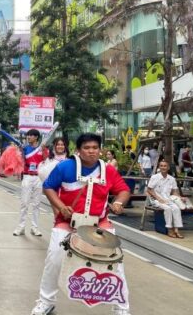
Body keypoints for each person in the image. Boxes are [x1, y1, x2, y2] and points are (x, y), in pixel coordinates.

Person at [30, 133, 131, 315]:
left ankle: (121, 308)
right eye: (86, 148)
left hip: (99, 223)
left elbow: (123, 190)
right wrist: (61, 207)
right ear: (78, 150)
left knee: (116, 263)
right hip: (68, 222)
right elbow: (48, 186)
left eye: (95, 148)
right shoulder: (65, 167)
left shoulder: (108, 170)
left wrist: (118, 203)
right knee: (54, 259)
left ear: (100, 150)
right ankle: (46, 301)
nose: (91, 151)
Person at [14, 129, 45, 237]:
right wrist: (19, 152)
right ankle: (21, 227)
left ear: (36, 137)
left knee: (36, 204)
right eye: (28, 135)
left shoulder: (42, 148)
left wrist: (44, 150)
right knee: (24, 203)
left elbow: (46, 162)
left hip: (38, 178)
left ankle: (34, 228)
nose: (29, 137)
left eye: (31, 135)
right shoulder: (25, 148)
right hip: (27, 176)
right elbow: (20, 161)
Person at [147, 159, 185, 239]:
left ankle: (177, 230)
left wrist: (180, 197)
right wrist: (158, 198)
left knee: (176, 208)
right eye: (161, 166)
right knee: (168, 209)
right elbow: (149, 189)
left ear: (168, 168)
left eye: (165, 166)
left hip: (167, 199)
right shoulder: (155, 177)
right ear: (159, 167)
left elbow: (174, 192)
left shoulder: (171, 179)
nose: (163, 167)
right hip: (156, 199)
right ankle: (169, 229)